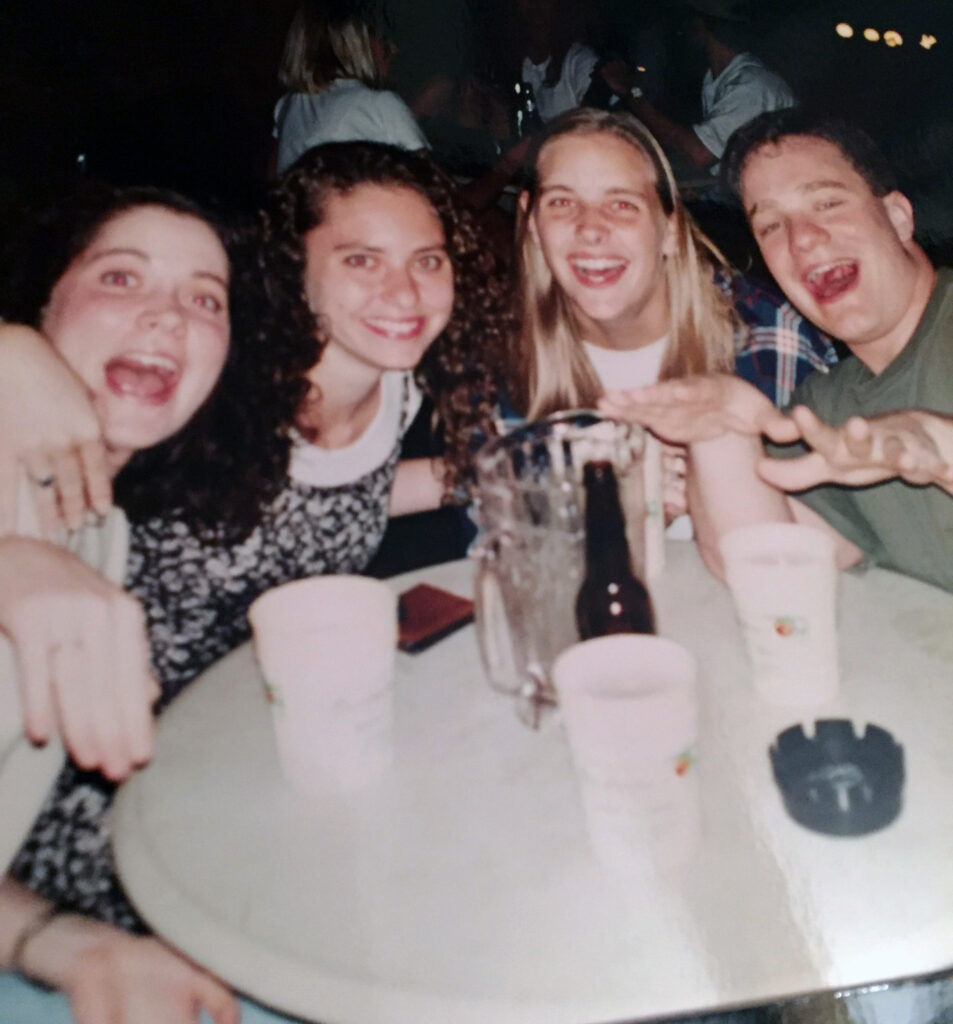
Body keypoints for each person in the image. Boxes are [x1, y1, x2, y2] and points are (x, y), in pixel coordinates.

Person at [2, 142, 511, 993]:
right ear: (290, 273)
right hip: (107, 829)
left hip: (252, 760)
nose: (403, 291)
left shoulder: (399, 387)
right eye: (360, 259)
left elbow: (341, 492)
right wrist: (13, 351)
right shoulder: (213, 384)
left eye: (427, 260)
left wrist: (501, 468)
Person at [0, 184, 244, 1022]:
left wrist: (61, 943)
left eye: (204, 299)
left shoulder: (102, 531)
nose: (167, 317)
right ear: (45, 300)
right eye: (120, 278)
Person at [600, 109, 953, 594]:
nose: (802, 239)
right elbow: (762, 566)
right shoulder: (826, 408)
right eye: (770, 225)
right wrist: (719, 431)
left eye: (827, 203)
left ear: (897, 216)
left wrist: (939, 447)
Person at [512, 108, 834, 416]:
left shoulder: (767, 338)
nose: (590, 229)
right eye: (562, 202)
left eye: (622, 204)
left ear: (670, 229)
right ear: (533, 223)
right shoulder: (503, 364)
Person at [599, 0, 795, 175]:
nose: (681, 29)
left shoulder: (752, 88)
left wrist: (631, 93)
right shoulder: (718, 79)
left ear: (701, 25)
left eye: (686, 20)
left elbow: (699, 153)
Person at [273, 0, 428, 174]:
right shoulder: (380, 104)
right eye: (382, 37)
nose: (393, 48)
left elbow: (275, 182)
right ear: (358, 43)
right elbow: (432, 182)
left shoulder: (287, 106)